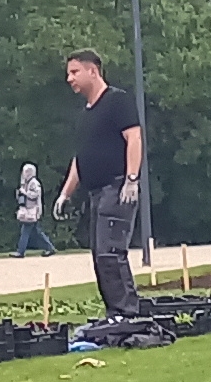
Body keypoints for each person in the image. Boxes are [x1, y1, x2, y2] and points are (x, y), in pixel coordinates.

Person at [54, 50, 144, 317]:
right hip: (96, 193)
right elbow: (81, 158)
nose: (69, 78)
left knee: (111, 254)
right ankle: (114, 312)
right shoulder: (86, 114)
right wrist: (65, 194)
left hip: (116, 188)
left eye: (74, 72)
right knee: (100, 256)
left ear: (92, 71)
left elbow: (134, 139)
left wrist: (131, 180)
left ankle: (127, 313)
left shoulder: (117, 101)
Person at [13, 163, 55, 257]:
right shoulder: (26, 183)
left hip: (33, 210)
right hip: (28, 210)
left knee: (26, 231)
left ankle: (21, 251)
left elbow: (35, 195)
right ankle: (50, 248)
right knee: (37, 232)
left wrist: (25, 192)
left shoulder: (34, 183)